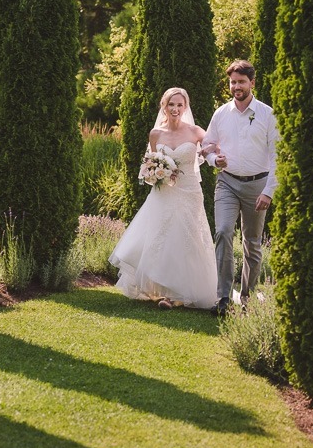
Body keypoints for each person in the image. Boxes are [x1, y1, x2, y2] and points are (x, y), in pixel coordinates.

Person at [108, 87, 219, 310]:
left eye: (180, 105)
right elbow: (150, 163)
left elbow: (213, 148)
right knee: (162, 237)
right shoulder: (155, 134)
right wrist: (155, 173)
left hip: (189, 192)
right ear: (164, 106)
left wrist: (217, 155)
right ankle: (165, 293)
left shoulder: (197, 132)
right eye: (171, 104)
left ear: (185, 107)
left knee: (186, 239)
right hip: (164, 193)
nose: (175, 109)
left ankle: (184, 291)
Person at [203, 60, 279, 316]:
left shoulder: (267, 114)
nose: (236, 86)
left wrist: (269, 191)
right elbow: (208, 146)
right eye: (233, 82)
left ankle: (246, 297)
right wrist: (215, 160)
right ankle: (223, 298)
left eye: (241, 82)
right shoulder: (221, 114)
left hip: (258, 184)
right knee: (223, 232)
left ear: (252, 83)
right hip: (227, 182)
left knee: (253, 243)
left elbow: (277, 157)